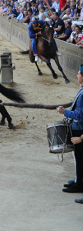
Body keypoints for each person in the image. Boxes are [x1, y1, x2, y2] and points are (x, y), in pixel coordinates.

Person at [57, 64, 83, 203]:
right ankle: (79, 179)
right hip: (78, 128)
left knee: (79, 158)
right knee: (77, 157)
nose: (77, 75)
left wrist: (64, 112)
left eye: (79, 73)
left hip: (80, 129)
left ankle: (80, 183)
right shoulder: (82, 90)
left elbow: (79, 115)